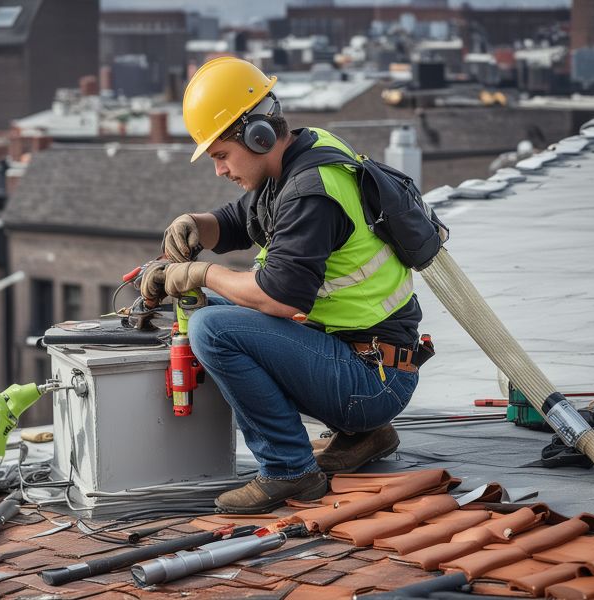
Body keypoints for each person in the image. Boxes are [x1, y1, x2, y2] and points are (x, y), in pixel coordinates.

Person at [141, 57, 424, 514]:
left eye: (220, 155)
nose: (219, 170)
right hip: (367, 363)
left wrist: (200, 273)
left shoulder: (312, 192)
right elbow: (242, 219)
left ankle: (289, 470)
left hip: (372, 381)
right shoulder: (298, 157)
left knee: (212, 328)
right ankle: (365, 436)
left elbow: (278, 297)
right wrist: (197, 225)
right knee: (219, 309)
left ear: (257, 136)